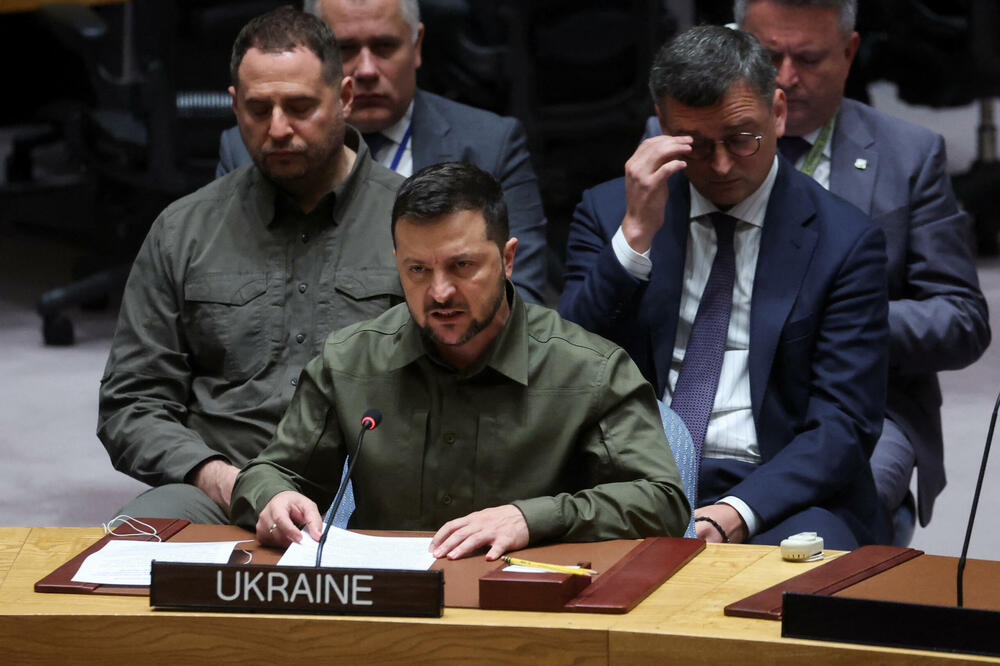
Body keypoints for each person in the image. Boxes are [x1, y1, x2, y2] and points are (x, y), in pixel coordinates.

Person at [231, 162, 689, 559]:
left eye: (462, 266)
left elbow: (662, 501)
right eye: (418, 270)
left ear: (508, 259)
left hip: (524, 604)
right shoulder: (351, 361)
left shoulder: (588, 370)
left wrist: (531, 518)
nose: (440, 292)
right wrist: (274, 498)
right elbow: (271, 472)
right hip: (386, 603)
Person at [559, 25, 891, 549]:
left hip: (778, 487)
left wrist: (734, 513)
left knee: (809, 581)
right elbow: (565, 368)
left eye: (741, 138)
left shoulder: (845, 242)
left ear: (777, 112)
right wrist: (634, 239)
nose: (720, 165)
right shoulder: (609, 214)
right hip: (634, 477)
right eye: (695, 145)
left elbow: (843, 424)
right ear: (662, 127)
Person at [97, 7, 404, 523]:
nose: (278, 128)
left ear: (345, 97)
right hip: (224, 489)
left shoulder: (413, 223)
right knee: (129, 550)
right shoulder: (184, 230)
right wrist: (221, 478)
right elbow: (132, 402)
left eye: (300, 106)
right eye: (258, 109)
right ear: (234, 104)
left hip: (377, 495)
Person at [734, 0, 991, 535]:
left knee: (831, 518)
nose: (785, 79)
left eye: (809, 59)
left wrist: (838, 321)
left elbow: (962, 319)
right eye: (768, 57)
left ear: (849, 52)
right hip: (717, 387)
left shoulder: (907, 155)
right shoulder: (685, 136)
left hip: (864, 402)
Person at [217, 0, 548, 305]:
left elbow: (522, 297)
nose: (366, 70)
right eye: (345, 49)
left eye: (385, 47)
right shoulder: (252, 150)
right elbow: (226, 289)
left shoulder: (491, 145)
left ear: (416, 45)